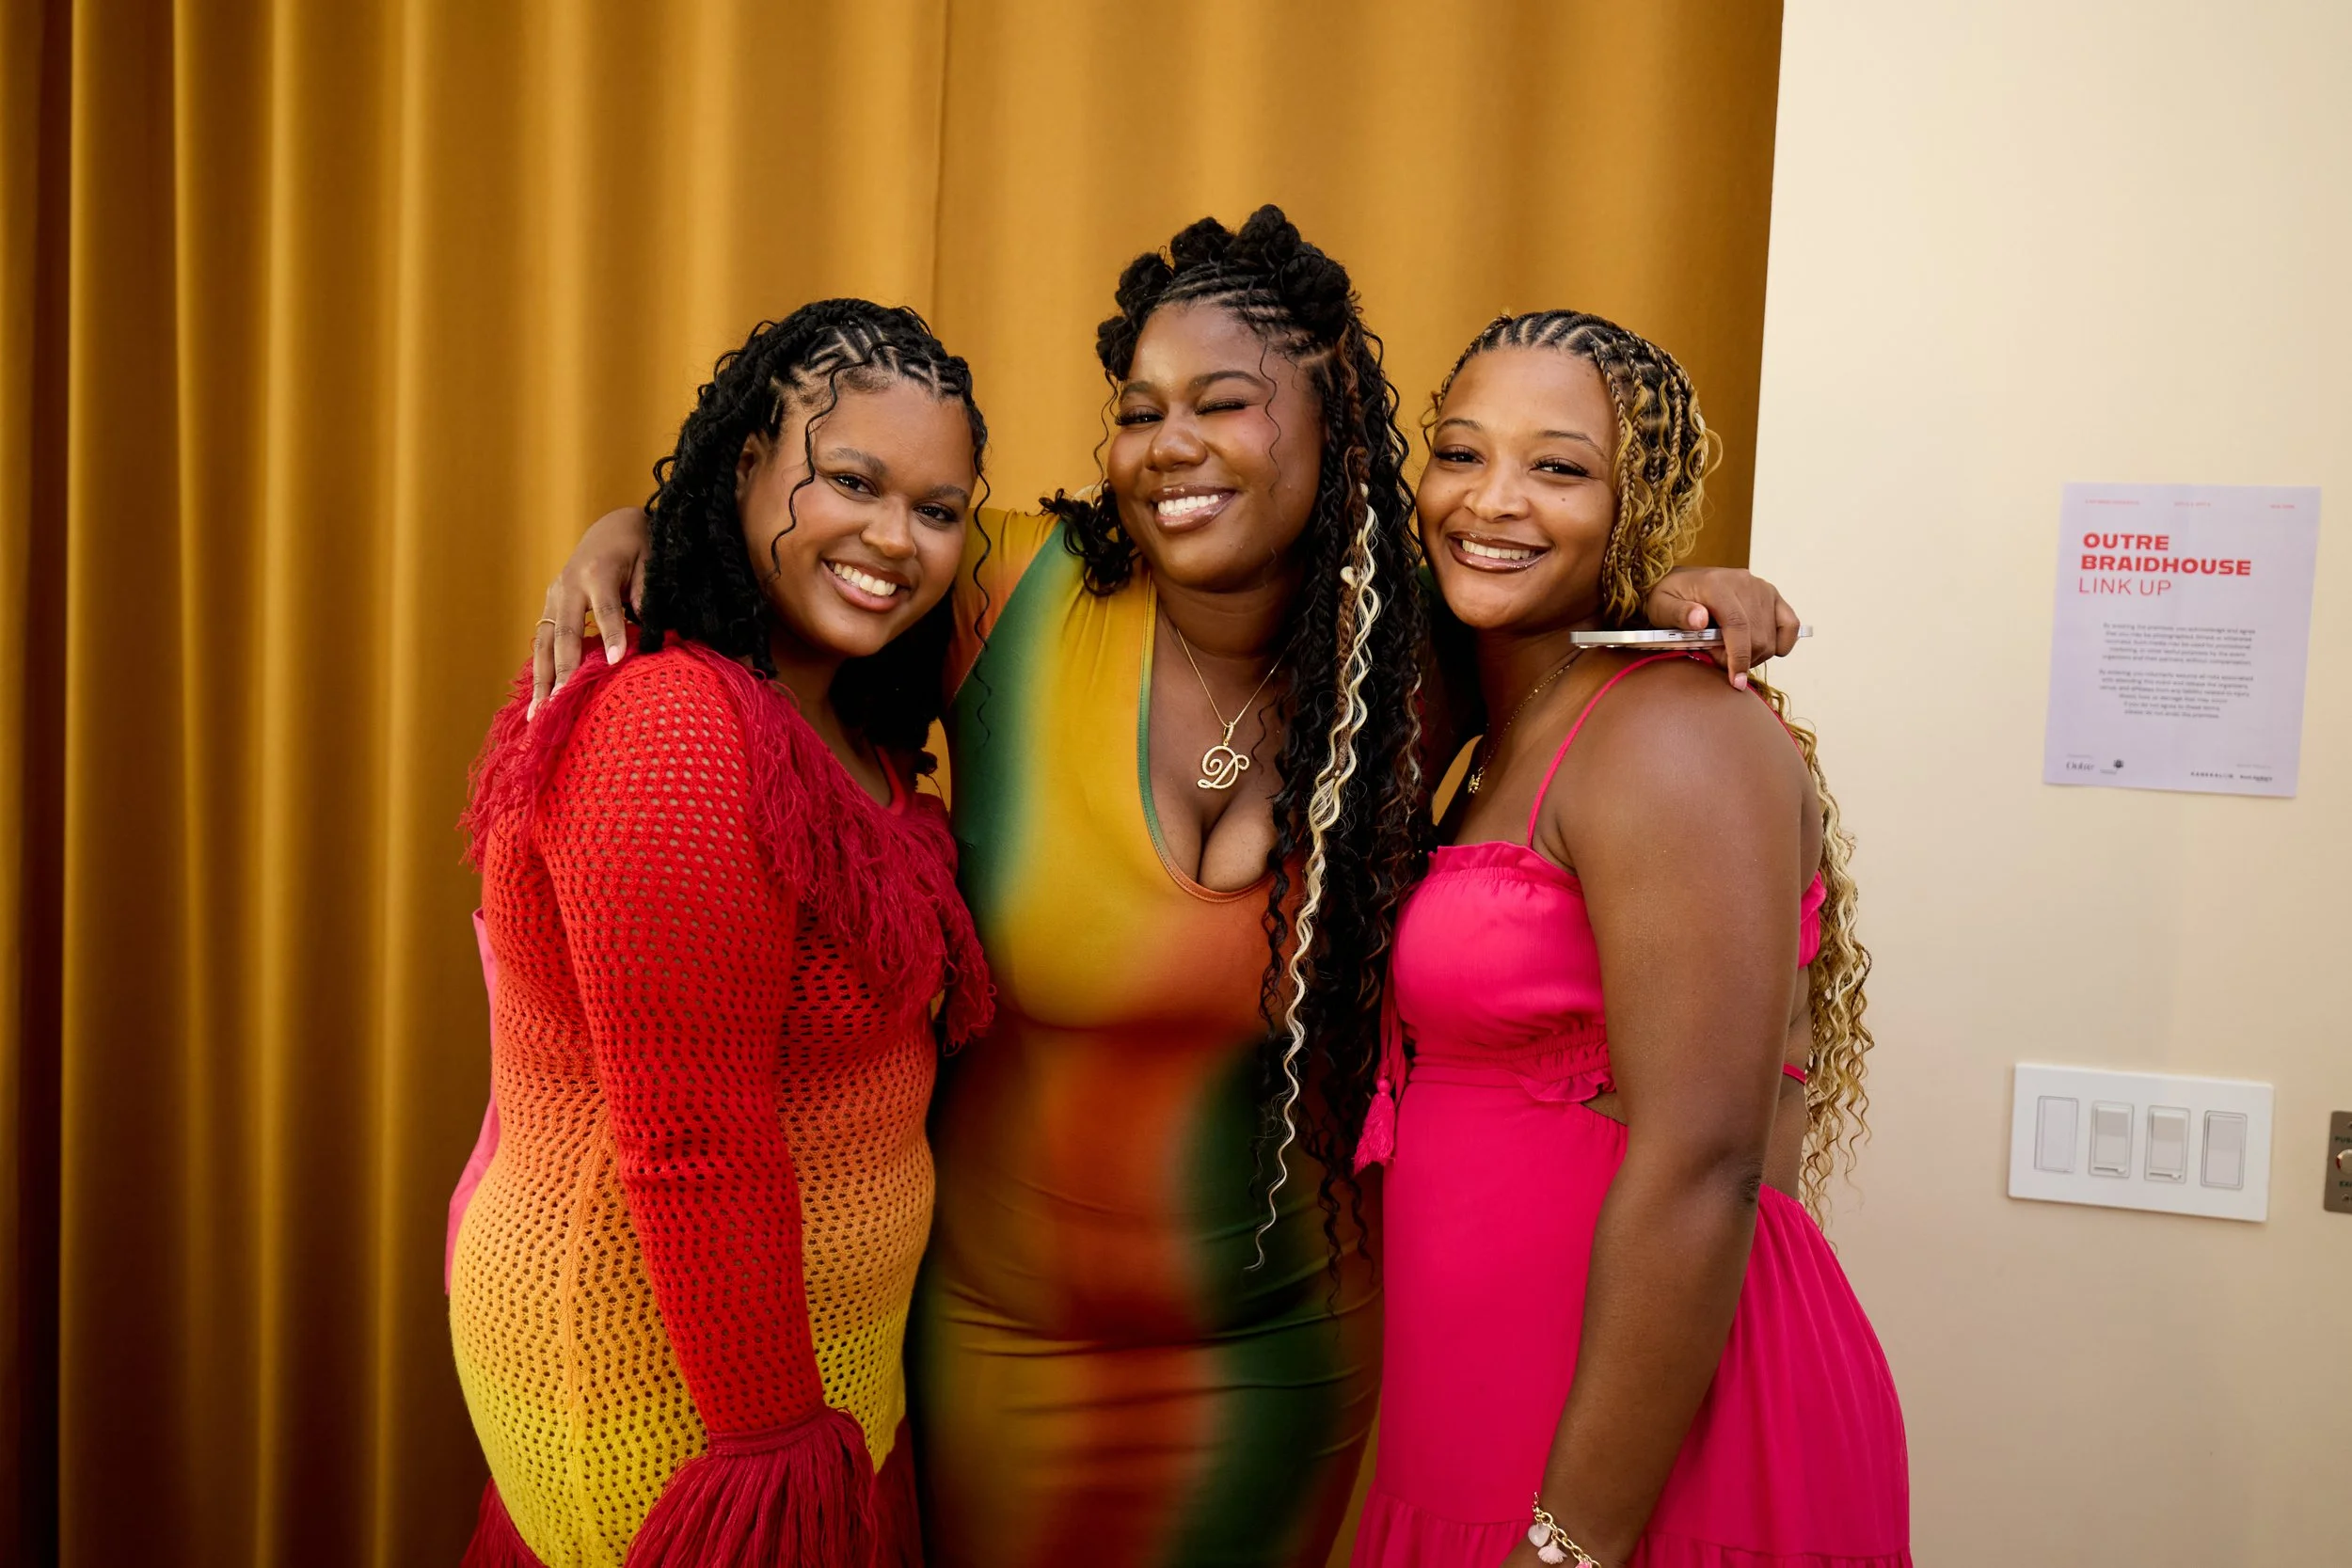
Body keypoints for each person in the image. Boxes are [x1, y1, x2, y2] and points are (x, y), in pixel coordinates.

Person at [531, 210, 1802, 1568]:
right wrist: (637, 533)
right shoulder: (1006, 591)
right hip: (998, 1342)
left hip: (1283, 1358)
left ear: (1336, 433)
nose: (1169, 443)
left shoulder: (1406, 659)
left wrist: (1685, 589)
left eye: (1222, 403)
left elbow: (1553, 607)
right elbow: (830, 534)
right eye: (1140, 411)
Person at [1350, 311, 1906, 1568]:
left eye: (1559, 467)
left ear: (1634, 500)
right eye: (1461, 452)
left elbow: (1707, 1159)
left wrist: (1574, 1545)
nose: (1493, 499)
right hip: (1481, 1410)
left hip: (1637, 1452)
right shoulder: (1495, 723)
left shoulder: (1672, 733)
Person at [450, 300, 993, 1568]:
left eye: (937, 508)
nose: (893, 538)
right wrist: (774, 1446)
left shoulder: (845, 730)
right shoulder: (670, 724)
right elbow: (693, 1138)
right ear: (745, 465)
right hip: (682, 1409)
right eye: (850, 480)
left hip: (821, 1384)